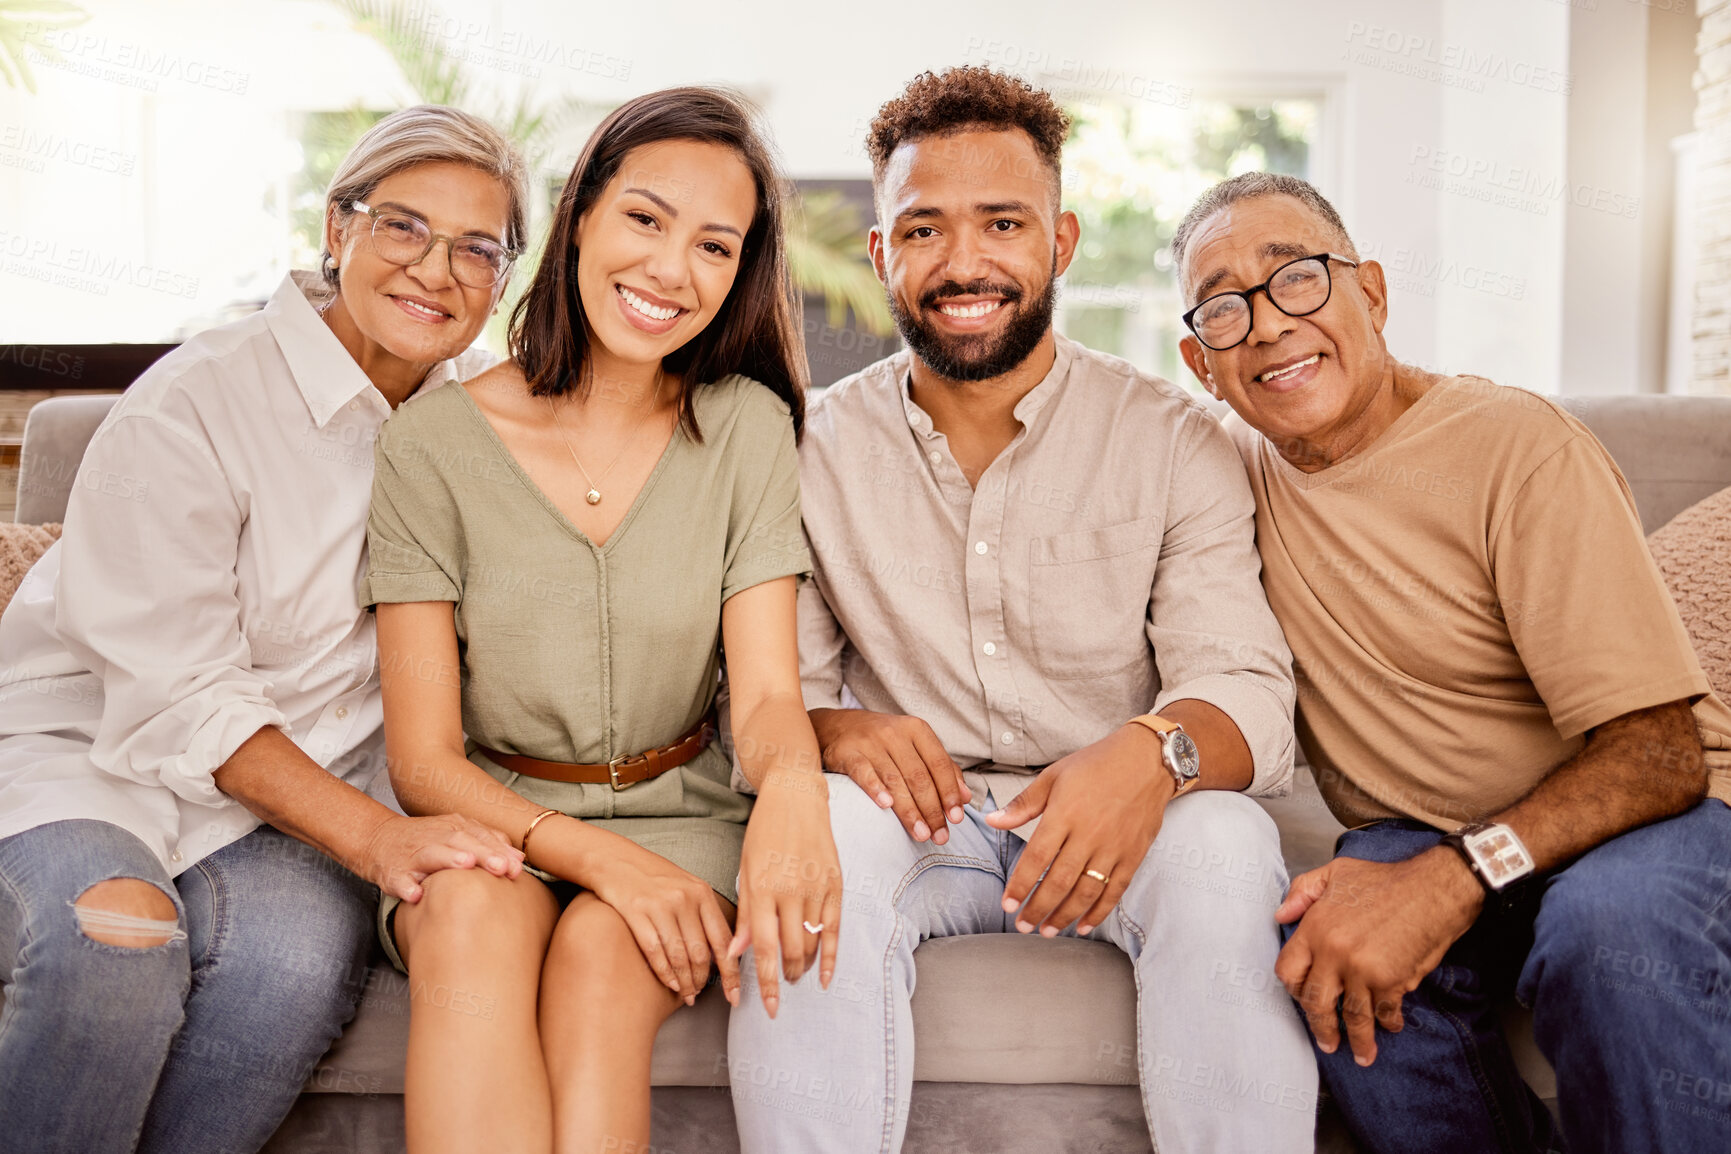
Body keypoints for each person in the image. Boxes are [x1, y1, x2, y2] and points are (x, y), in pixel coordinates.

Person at [727, 66, 1318, 1154]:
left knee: (1228, 844)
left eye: (1003, 222)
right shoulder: (808, 448)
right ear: (881, 255)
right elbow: (774, 696)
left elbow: (1245, 688)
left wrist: (1150, 755)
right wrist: (839, 729)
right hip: (914, 817)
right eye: (924, 229)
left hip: (1126, 813)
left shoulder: (1176, 439)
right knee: (811, 838)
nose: (964, 264)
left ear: (1062, 241)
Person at [0, 105, 531, 1154]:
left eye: (479, 248)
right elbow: (176, 692)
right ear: (338, 230)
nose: (437, 270)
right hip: (96, 755)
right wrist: (379, 836)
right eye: (402, 226)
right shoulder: (195, 403)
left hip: (292, 805)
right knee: (117, 939)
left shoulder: (481, 420)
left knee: (287, 971)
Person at [1175, 170, 1731, 1154]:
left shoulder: (1515, 447)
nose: (1265, 323)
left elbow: (1659, 755)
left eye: (1296, 277)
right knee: (1325, 945)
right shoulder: (1212, 476)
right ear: (1201, 362)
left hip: (1650, 820)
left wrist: (1459, 876)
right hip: (1429, 828)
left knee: (1608, 929)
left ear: (1373, 294)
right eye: (1224, 307)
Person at [364, 87, 844, 1154]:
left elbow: (765, 694)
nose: (672, 270)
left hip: (688, 813)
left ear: (739, 275)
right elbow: (423, 760)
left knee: (601, 951)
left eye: (715, 246)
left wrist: (799, 791)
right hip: (498, 811)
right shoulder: (431, 441)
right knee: (468, 915)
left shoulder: (748, 429)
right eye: (645, 219)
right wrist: (594, 854)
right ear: (580, 215)